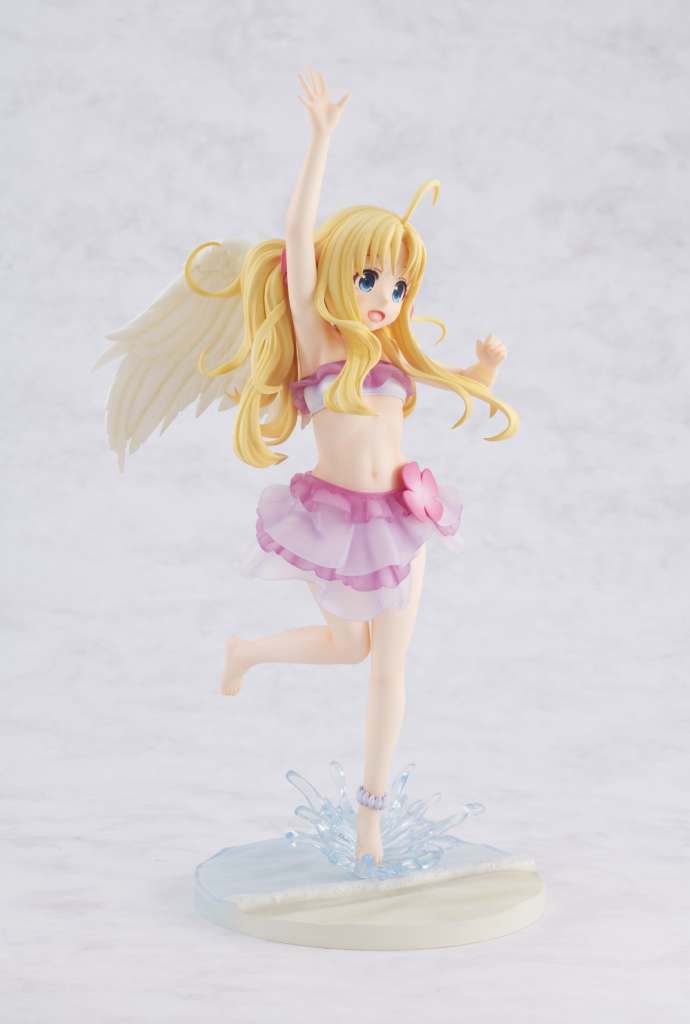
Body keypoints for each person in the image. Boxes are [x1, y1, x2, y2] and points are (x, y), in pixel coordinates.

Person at [98, 67, 519, 866]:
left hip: (406, 516)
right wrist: (321, 139)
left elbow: (464, 384)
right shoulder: (318, 342)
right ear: (336, 276)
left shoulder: (389, 354)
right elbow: (297, 241)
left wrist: (488, 366)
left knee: (388, 668)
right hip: (338, 523)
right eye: (368, 278)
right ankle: (248, 652)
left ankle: (371, 818)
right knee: (349, 648)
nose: (384, 297)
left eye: (398, 286)